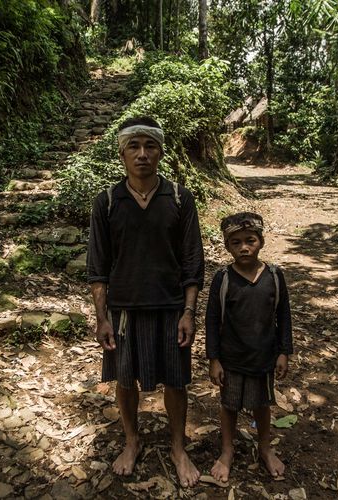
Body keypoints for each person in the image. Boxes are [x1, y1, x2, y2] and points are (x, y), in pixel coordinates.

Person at [87, 116, 205, 487]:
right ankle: (132, 440)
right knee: (125, 379)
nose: (142, 154)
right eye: (134, 147)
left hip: (170, 307)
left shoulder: (179, 198)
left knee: (176, 380)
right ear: (122, 153)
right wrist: (101, 317)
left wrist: (189, 311)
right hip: (123, 310)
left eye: (149, 146)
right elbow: (98, 267)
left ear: (161, 152)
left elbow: (192, 262)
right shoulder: (106, 202)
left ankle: (177, 447)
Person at [204, 212, 293, 482]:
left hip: (263, 356)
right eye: (236, 242)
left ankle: (265, 448)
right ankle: (227, 451)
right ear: (227, 246)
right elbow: (211, 319)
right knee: (229, 405)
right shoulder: (224, 279)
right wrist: (214, 359)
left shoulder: (275, 277)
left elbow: (284, 315)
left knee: (262, 405)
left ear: (262, 242)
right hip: (231, 358)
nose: (244, 247)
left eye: (250, 240)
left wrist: (283, 352)